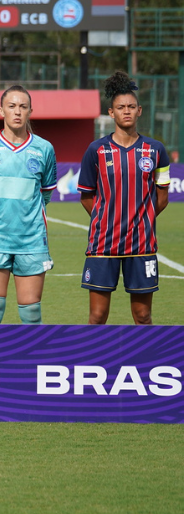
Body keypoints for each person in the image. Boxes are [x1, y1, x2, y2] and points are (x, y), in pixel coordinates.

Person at [78, 71, 171, 325]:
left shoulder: (156, 150)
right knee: (97, 316)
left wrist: (144, 220)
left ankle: (147, 362)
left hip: (141, 244)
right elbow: (87, 197)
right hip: (102, 244)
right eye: (121, 107)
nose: (126, 111)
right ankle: (93, 362)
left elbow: (162, 196)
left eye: (131, 106)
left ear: (139, 110)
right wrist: (106, 220)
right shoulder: (95, 150)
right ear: (111, 113)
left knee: (143, 315)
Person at [0, 85, 57, 325]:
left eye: (23, 106)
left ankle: (31, 363)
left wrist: (28, 217)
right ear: (1, 110)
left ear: (30, 111)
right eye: (12, 106)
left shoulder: (44, 148)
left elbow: (45, 194)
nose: (17, 111)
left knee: (31, 314)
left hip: (31, 240)